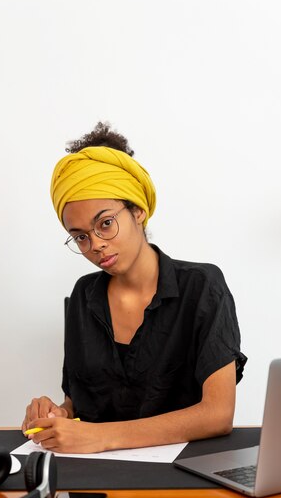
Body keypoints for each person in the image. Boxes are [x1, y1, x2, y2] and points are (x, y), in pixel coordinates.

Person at [22, 122, 247, 453]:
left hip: (184, 485)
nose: (95, 245)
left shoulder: (201, 288)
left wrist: (100, 437)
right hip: (93, 480)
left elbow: (218, 415)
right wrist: (57, 414)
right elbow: (78, 402)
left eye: (105, 223)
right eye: (81, 236)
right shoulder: (84, 296)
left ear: (138, 210)